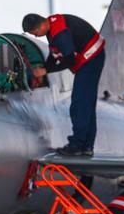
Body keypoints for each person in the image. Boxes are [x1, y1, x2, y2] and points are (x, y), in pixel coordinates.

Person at [22, 13, 106, 156]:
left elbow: (70, 60)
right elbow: (55, 55)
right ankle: (87, 146)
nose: (35, 36)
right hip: (91, 58)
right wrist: (44, 69)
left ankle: (77, 145)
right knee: (87, 105)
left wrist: (46, 70)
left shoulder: (60, 33)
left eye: (35, 32)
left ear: (42, 25)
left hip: (91, 59)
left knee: (79, 104)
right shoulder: (51, 28)